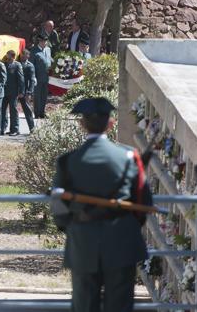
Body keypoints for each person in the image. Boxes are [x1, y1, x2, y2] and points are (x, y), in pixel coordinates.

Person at [51, 98, 152, 312]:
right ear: (110, 123)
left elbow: (59, 207)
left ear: (82, 124)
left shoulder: (67, 161)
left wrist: (73, 226)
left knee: (85, 305)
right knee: (120, 305)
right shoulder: (129, 156)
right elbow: (143, 202)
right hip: (122, 238)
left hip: (83, 240)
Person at [1, 49, 24, 136]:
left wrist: (21, 91)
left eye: (8, 55)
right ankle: (3, 128)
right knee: (3, 110)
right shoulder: (5, 64)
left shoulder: (17, 65)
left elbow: (21, 79)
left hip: (14, 92)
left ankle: (15, 129)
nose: (7, 57)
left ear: (12, 56)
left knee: (13, 110)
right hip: (5, 91)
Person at [31, 34, 52, 119]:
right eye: (43, 41)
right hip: (37, 77)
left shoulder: (48, 49)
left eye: (46, 41)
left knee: (44, 95)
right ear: (39, 41)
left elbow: (49, 60)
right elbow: (31, 65)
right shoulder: (34, 51)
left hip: (47, 77)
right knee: (37, 96)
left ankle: (42, 112)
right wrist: (33, 76)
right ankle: (37, 113)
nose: (45, 43)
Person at [18, 49, 36, 133]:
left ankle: (32, 129)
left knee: (27, 111)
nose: (26, 56)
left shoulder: (30, 66)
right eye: (24, 54)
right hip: (15, 90)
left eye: (27, 55)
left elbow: (32, 80)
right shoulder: (16, 63)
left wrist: (29, 92)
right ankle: (13, 129)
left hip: (25, 91)